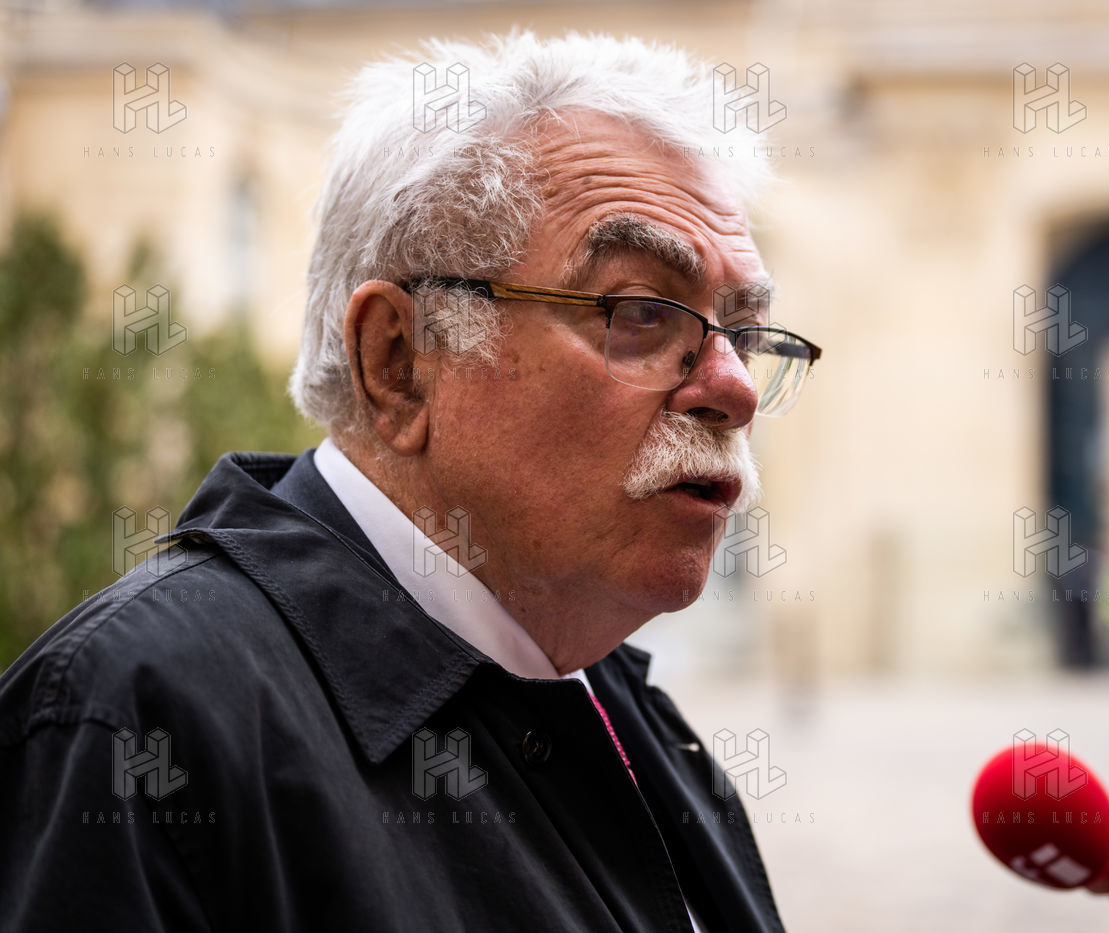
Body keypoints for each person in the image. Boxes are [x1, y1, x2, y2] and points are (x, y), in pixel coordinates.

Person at [0, 33, 820, 932]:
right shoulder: (134, 718)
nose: (735, 388)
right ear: (398, 362)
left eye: (745, 333)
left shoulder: (624, 708)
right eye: (641, 313)